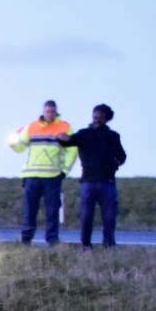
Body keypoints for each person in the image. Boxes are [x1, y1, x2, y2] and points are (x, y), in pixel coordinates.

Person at [57, 104, 127, 248]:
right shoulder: (84, 134)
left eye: (100, 117)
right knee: (87, 217)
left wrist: (115, 164)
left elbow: (122, 155)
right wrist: (61, 137)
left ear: (106, 118)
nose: (97, 119)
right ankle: (86, 245)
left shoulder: (113, 136)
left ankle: (109, 245)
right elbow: (69, 141)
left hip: (108, 182)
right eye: (95, 116)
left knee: (109, 217)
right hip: (88, 182)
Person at [10, 100, 76, 244]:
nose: (50, 114)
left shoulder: (65, 127)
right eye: (47, 111)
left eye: (52, 111)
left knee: (52, 211)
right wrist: (12, 141)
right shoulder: (32, 127)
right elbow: (20, 148)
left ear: (56, 111)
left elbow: (73, 150)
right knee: (29, 211)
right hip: (32, 176)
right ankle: (26, 239)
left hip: (52, 176)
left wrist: (65, 170)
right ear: (43, 112)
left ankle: (52, 239)